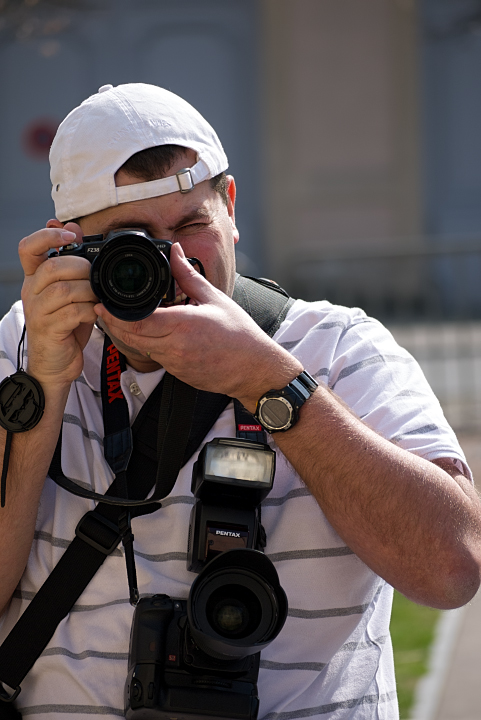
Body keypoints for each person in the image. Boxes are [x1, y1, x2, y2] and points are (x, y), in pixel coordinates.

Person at [0, 82, 480, 720]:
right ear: (70, 246)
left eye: (191, 225)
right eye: (130, 240)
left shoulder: (336, 349)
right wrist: (42, 391)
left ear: (229, 205)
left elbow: (453, 568)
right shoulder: (26, 347)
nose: (171, 261)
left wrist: (270, 382)